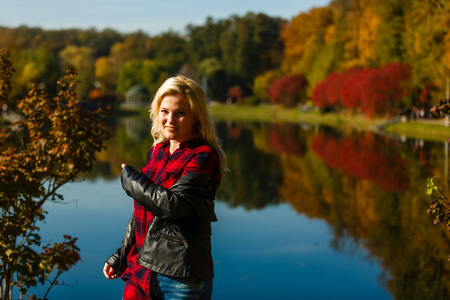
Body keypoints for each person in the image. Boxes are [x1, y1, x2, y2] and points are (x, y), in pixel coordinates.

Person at [103, 75, 227, 300]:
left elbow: (173, 206)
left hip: (180, 278)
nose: (170, 119)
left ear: (195, 117)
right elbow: (145, 208)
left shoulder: (203, 155)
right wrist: (122, 254)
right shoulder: (157, 151)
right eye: (165, 111)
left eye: (180, 113)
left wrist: (131, 180)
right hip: (140, 268)